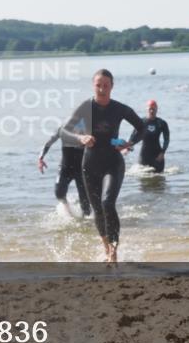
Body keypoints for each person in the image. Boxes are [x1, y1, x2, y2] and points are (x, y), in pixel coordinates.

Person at [60, 69, 144, 264]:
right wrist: (80, 137)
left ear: (112, 87)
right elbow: (64, 132)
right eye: (98, 85)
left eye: (106, 85)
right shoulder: (85, 108)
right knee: (97, 209)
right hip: (90, 164)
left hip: (113, 163)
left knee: (108, 203)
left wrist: (130, 143)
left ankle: (114, 251)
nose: (102, 89)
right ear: (93, 86)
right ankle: (106, 246)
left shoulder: (120, 109)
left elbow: (141, 128)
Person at [38, 123, 91, 217]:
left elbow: (104, 143)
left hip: (83, 169)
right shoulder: (62, 129)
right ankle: (68, 210)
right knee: (59, 192)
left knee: (85, 204)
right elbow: (48, 143)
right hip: (65, 167)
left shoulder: (89, 132)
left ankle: (88, 223)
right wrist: (40, 158)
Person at [134, 99, 170, 172]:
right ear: (147, 109)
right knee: (142, 176)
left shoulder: (161, 123)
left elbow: (166, 139)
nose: (152, 111)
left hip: (157, 155)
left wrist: (162, 153)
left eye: (153, 109)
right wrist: (128, 147)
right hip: (144, 155)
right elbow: (134, 136)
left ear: (156, 109)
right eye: (150, 109)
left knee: (159, 178)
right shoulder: (141, 122)